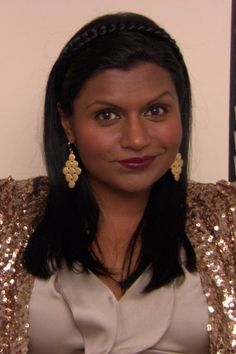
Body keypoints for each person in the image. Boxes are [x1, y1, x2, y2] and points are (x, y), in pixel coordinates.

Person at [0, 12, 235, 354]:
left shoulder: (227, 219)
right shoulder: (7, 215)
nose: (137, 139)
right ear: (68, 122)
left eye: (156, 110)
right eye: (107, 115)